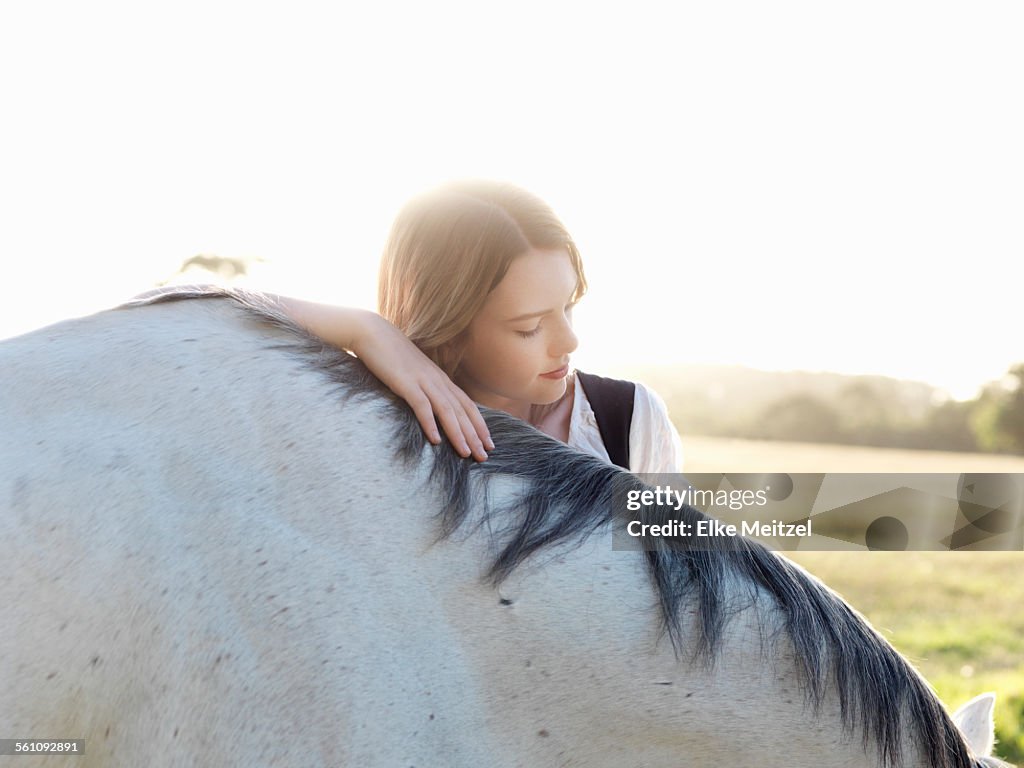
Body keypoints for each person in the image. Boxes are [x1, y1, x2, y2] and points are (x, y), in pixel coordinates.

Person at [273, 180, 682, 473]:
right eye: (529, 327)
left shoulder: (627, 421)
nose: (570, 341)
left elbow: (683, 580)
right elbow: (213, 308)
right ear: (449, 333)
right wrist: (366, 329)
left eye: (569, 307)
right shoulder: (374, 426)